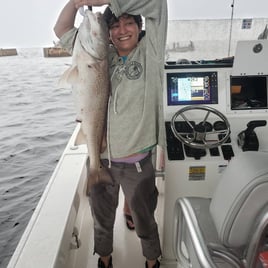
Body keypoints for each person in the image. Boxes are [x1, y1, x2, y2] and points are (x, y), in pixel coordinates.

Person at [54, 0, 167, 267]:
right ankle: (104, 258)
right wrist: (75, 3)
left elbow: (157, 4)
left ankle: (152, 260)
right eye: (114, 26)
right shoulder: (101, 55)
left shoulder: (151, 53)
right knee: (101, 220)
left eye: (129, 23)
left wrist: (99, 2)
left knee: (145, 219)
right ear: (107, 34)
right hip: (102, 159)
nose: (122, 30)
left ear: (141, 28)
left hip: (137, 164)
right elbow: (62, 29)